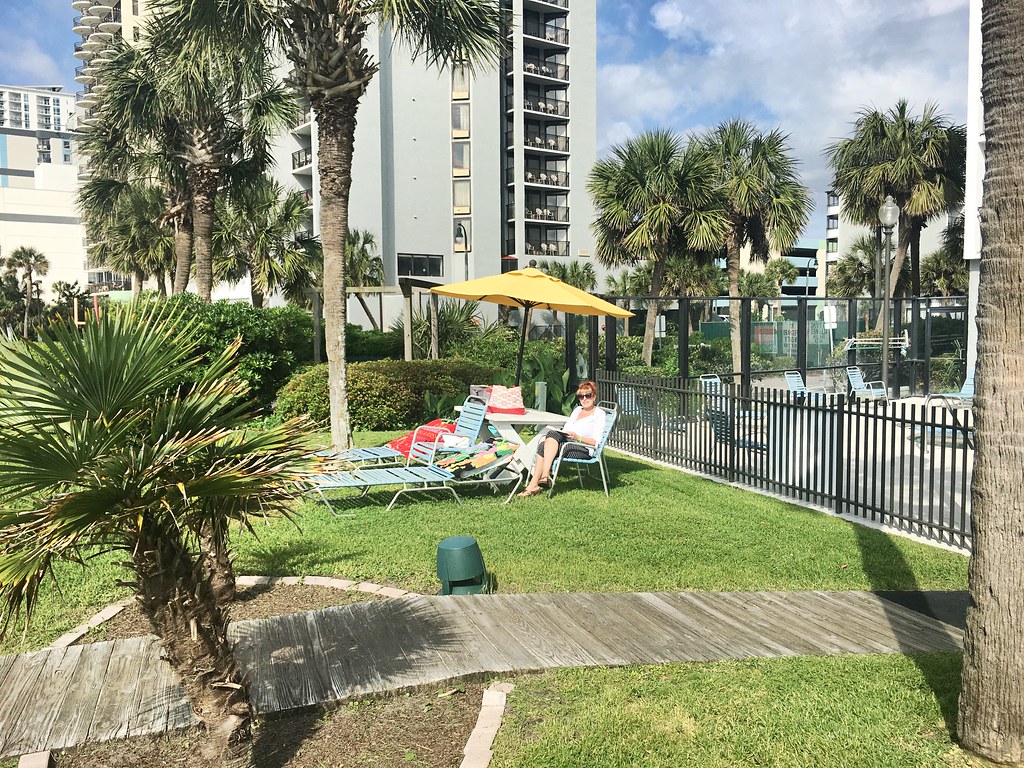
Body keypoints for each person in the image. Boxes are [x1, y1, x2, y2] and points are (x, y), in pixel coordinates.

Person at [517, 380, 606, 498]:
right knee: (547, 439)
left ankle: (539, 481)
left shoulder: (599, 414)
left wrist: (577, 438)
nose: (584, 399)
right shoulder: (577, 410)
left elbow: (596, 442)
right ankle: (539, 481)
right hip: (568, 441)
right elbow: (566, 429)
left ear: (594, 396)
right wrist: (567, 435)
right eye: (581, 396)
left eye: (588, 396)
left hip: (584, 448)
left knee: (545, 443)